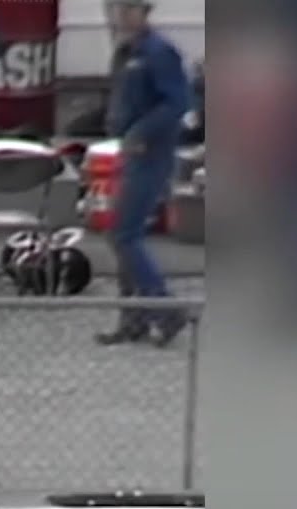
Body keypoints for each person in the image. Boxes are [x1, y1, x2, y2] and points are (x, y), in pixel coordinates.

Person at [94, 0, 190, 347]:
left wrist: (141, 133)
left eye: (128, 8)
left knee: (125, 233)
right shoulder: (128, 52)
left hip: (151, 153)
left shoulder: (158, 52)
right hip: (130, 152)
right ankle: (133, 316)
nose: (121, 15)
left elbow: (177, 103)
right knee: (123, 233)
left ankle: (164, 309)